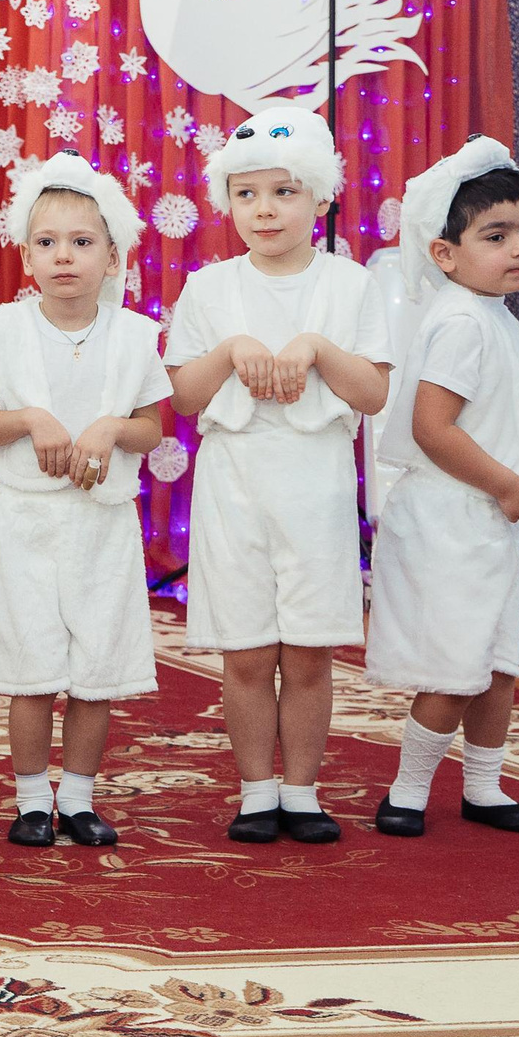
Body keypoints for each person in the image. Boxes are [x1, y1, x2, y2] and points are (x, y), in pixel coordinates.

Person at [164, 103, 391, 844]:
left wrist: (317, 348)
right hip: (235, 481)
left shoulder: (351, 285)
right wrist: (232, 349)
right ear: (225, 199)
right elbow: (184, 396)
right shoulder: (209, 289)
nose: (264, 209)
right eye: (246, 193)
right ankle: (256, 789)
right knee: (248, 648)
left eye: (285, 192)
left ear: (322, 198)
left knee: (310, 650)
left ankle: (303, 790)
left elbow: (374, 392)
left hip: (316, 481)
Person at [0, 152, 170, 849]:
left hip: (102, 522)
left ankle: (77, 797)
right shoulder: (4, 329)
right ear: (26, 255)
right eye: (48, 243)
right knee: (32, 668)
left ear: (113, 258)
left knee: (94, 670)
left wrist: (112, 428)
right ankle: (29, 800)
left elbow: (152, 427)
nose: (65, 257)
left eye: (83, 243)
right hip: (24, 519)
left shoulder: (136, 336)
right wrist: (30, 418)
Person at [365, 139, 519, 839]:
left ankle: (484, 786)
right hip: (454, 517)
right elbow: (435, 428)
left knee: (498, 662)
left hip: (487, 514)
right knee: (455, 667)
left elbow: (490, 412)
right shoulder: (461, 321)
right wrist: (508, 484)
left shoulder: (494, 316)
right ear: (445, 253)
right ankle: (407, 793)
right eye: (496, 236)